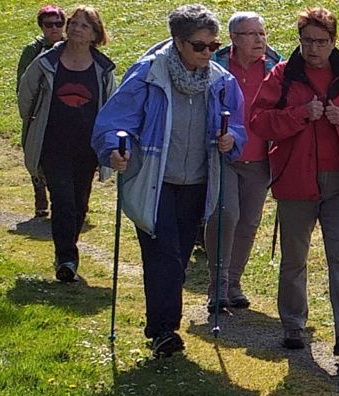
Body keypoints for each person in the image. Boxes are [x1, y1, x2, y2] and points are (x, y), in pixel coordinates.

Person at [92, 4, 246, 358]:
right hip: (153, 180)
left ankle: (163, 325)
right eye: (199, 46)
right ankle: (163, 330)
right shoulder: (148, 74)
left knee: (177, 255)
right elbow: (114, 122)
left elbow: (238, 126)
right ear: (178, 42)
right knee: (165, 254)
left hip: (197, 183)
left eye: (212, 45)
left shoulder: (221, 80)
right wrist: (116, 148)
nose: (208, 53)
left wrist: (231, 140)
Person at [245, 7, 339, 353]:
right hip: (295, 180)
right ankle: (293, 325)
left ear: (334, 42)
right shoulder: (281, 75)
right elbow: (259, 122)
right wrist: (300, 115)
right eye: (307, 41)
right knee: (294, 258)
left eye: (320, 41)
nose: (313, 48)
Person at [18, 5, 116, 283]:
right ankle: (67, 258)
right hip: (53, 144)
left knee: (80, 203)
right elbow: (26, 98)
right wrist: (34, 127)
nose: (75, 29)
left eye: (84, 26)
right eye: (73, 23)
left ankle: (66, 249)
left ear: (95, 34)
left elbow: (111, 107)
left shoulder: (103, 68)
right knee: (62, 200)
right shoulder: (46, 62)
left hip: (87, 147)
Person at [200, 10, 284, 313]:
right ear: (234, 38)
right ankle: (218, 285)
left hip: (261, 158)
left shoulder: (276, 66)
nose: (260, 39)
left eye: (262, 33)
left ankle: (234, 283)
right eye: (252, 34)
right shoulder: (216, 64)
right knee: (226, 214)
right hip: (223, 155)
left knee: (249, 222)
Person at [17, 4, 67, 220]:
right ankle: (40, 194)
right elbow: (23, 83)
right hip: (38, 111)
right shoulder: (33, 50)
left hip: (65, 113)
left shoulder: (73, 48)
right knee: (36, 155)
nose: (54, 29)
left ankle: (64, 201)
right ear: (41, 27)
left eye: (58, 24)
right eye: (49, 25)